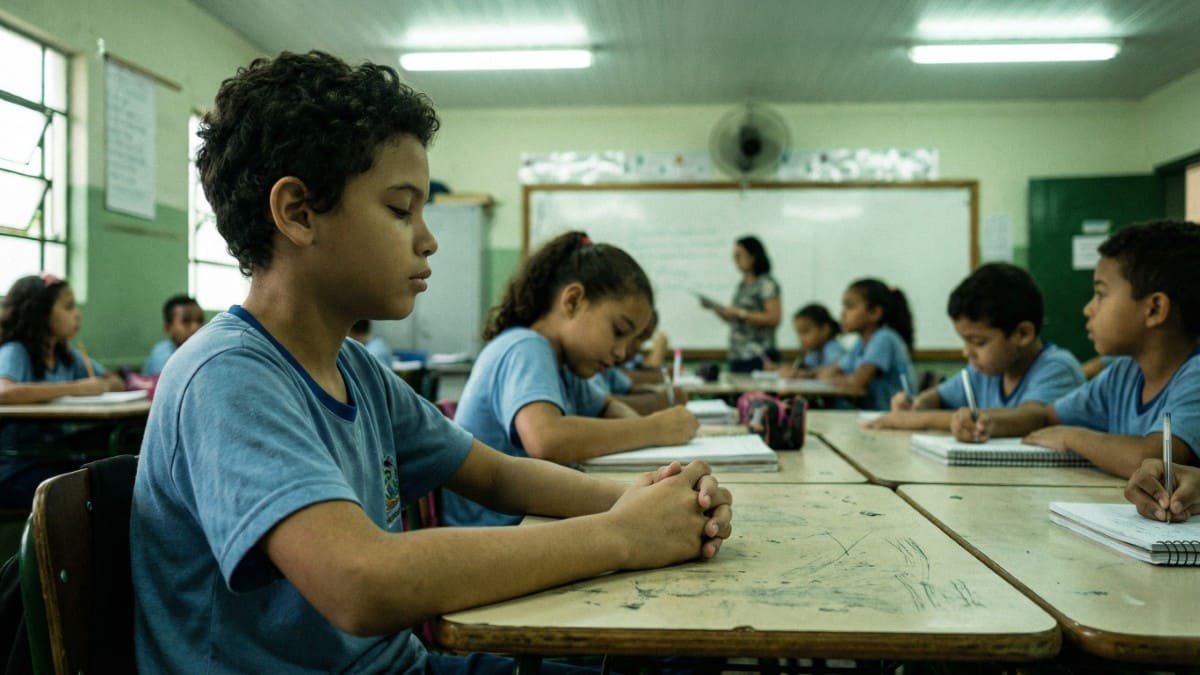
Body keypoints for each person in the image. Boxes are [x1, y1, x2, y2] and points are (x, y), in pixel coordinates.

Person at [129, 51, 733, 675]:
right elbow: (359, 581)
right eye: (400, 209)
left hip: (403, 667)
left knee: (672, 658)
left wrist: (646, 501)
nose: (428, 238)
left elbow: (496, 475)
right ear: (299, 213)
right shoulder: (228, 377)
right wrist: (622, 535)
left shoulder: (354, 369)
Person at [442, 231, 701, 527]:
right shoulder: (526, 346)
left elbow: (607, 407)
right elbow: (546, 439)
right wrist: (654, 428)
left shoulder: (565, 365)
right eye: (618, 331)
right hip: (492, 533)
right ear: (573, 301)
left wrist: (647, 434)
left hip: (529, 521)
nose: (620, 353)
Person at [950, 221, 1200, 479]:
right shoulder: (1124, 373)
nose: (1088, 309)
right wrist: (990, 422)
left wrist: (1073, 436)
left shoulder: (1195, 376)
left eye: (1100, 295)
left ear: (1155, 309)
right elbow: (1045, 416)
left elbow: (1154, 459)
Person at [868, 264, 1085, 431]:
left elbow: (1029, 418)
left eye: (978, 342)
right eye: (964, 341)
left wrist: (918, 419)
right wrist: (916, 404)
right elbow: (939, 396)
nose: (967, 352)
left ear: (1022, 334)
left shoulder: (1058, 368)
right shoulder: (985, 372)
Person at [0, 273, 124, 506]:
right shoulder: (15, 351)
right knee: (92, 491)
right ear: (41, 313)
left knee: (111, 473)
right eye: (68, 307)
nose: (77, 314)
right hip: (17, 469)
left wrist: (102, 385)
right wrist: (76, 388)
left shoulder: (66, 356)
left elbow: (116, 381)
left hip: (57, 458)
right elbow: (4, 392)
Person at [816, 278, 916, 411]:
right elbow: (835, 368)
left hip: (894, 415)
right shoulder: (861, 342)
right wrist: (807, 374)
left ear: (874, 313)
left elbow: (857, 382)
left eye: (850, 307)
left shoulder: (884, 338)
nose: (842, 313)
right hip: (875, 416)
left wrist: (827, 378)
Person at [704, 235, 781, 373]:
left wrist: (740, 312)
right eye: (734, 256)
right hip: (738, 354)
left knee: (758, 395)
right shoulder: (742, 286)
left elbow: (774, 318)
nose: (735, 260)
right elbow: (736, 319)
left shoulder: (766, 283)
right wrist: (717, 309)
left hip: (759, 356)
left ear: (753, 257)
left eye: (739, 256)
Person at [142, 294, 205, 375]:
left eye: (200, 320)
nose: (195, 328)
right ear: (168, 328)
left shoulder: (204, 351)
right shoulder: (162, 354)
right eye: (186, 321)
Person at [778, 303, 844, 379]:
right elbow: (807, 368)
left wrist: (808, 373)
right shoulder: (814, 353)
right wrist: (792, 370)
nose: (801, 338)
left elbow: (837, 369)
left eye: (805, 331)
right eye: (799, 333)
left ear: (825, 330)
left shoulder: (833, 348)